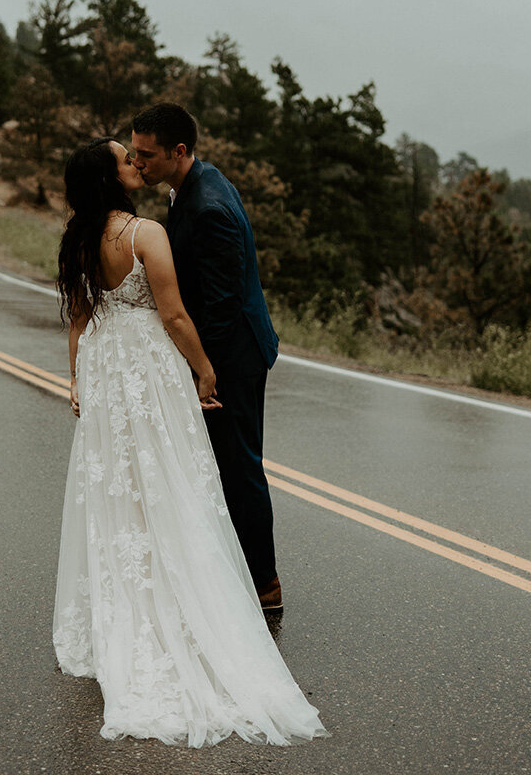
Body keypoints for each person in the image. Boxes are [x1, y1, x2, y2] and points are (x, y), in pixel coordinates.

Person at [52, 138, 326, 748]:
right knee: (169, 477)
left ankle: (126, 602)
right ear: (111, 176)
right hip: (147, 365)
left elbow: (77, 316)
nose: (135, 163)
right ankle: (184, 602)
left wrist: (76, 378)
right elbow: (174, 315)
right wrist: (204, 369)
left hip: (103, 366)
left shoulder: (76, 238)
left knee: (118, 485)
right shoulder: (144, 233)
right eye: (126, 159)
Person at [131, 103, 282, 609]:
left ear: (179, 151)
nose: (138, 164)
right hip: (228, 346)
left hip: (233, 354)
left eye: (146, 155)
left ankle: (264, 585)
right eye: (133, 153)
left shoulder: (209, 207)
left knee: (239, 468)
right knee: (222, 465)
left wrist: (203, 373)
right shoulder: (194, 185)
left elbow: (218, 307)